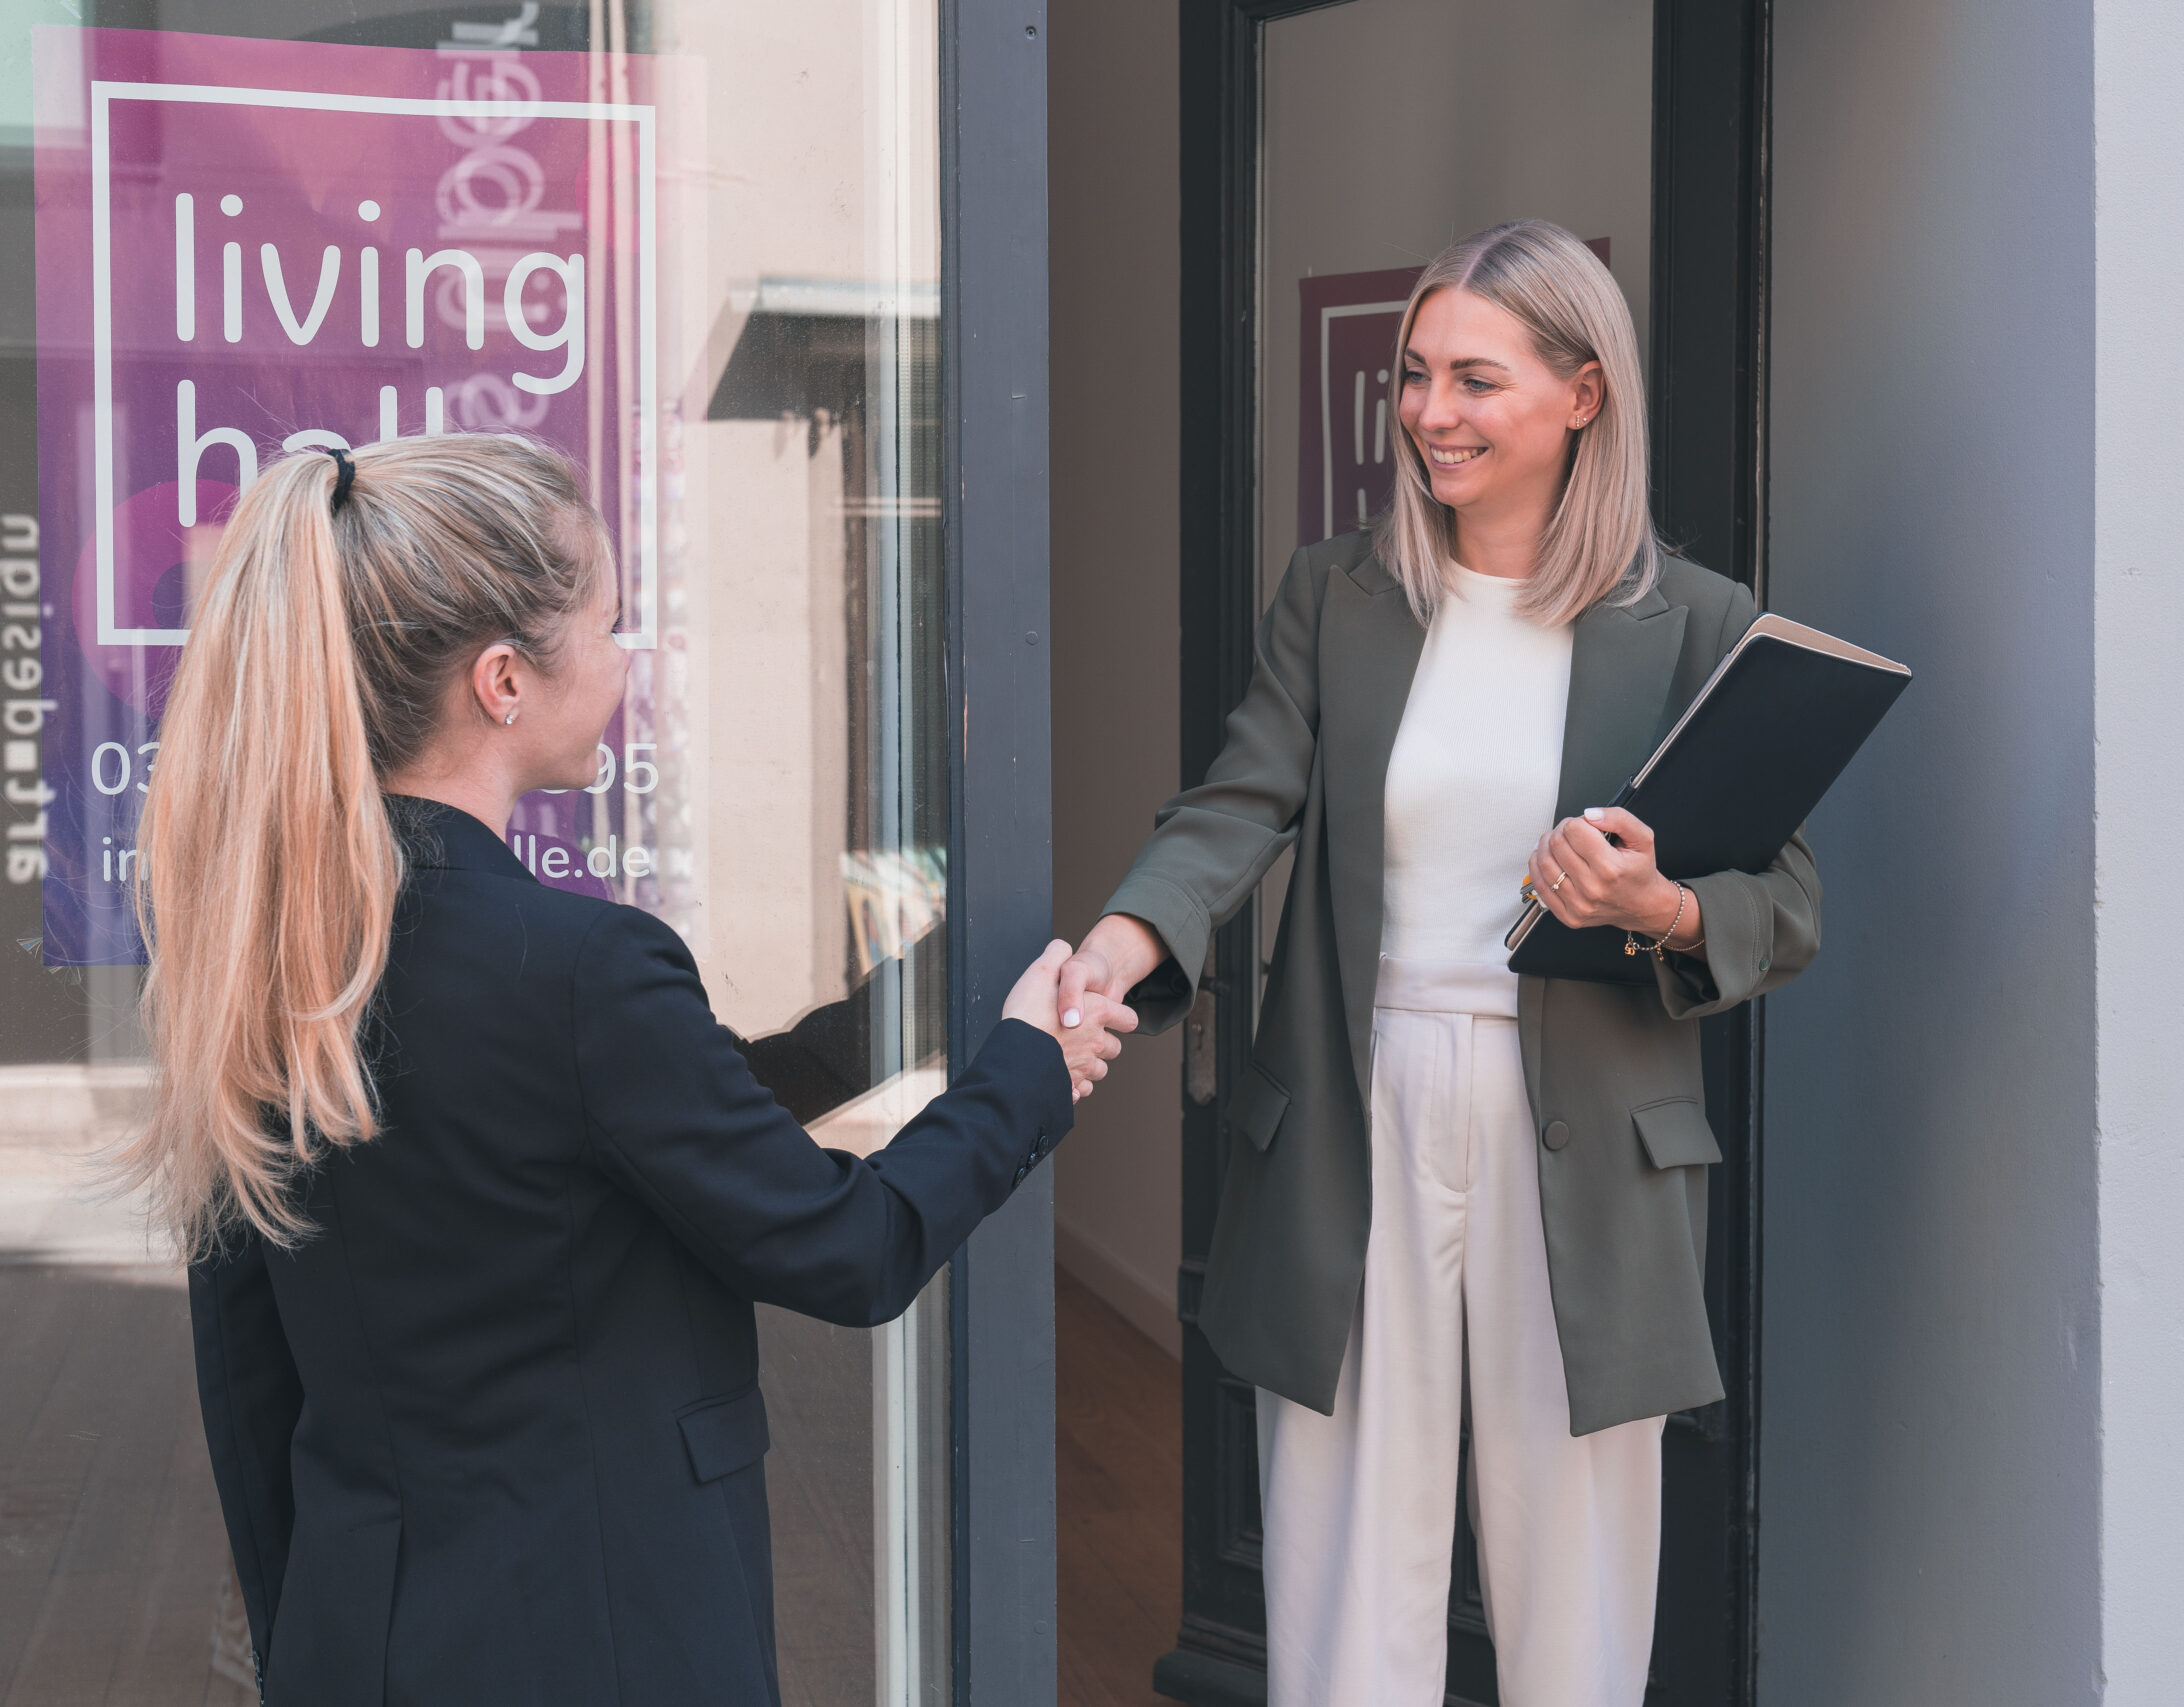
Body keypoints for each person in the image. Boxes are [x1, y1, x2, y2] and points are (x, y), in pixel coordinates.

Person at [118, 434, 1133, 1707]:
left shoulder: (259, 957)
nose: (627, 657)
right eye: (609, 625)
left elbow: (246, 1370)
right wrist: (1031, 1071)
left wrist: (920, 1004)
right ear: (503, 681)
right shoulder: (583, 968)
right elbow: (849, 1247)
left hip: (357, 1638)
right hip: (604, 1640)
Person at [1054, 219, 1821, 1706]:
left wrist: (1660, 905)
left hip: (1590, 1128)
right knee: (1346, 1554)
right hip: (1362, 1098)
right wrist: (1130, 931)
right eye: (1415, 375)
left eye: (1475, 378)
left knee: (1574, 1572)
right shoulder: (1337, 593)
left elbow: (1784, 904)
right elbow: (1239, 802)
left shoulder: (1695, 624)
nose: (1429, 412)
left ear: (1583, 394)